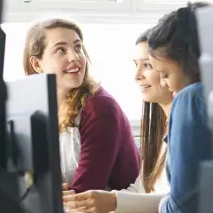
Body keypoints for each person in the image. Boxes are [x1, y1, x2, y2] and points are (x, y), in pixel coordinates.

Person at [63, 29, 174, 213]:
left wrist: (113, 202)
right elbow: (141, 191)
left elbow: (179, 201)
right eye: (136, 65)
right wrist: (101, 201)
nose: (137, 75)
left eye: (147, 65)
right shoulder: (160, 131)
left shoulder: (100, 107)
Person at [23, 19, 140, 194]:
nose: (75, 57)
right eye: (61, 50)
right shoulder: (34, 108)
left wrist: (43, 194)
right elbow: (28, 181)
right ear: (37, 64)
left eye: (78, 48)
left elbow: (86, 191)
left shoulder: (99, 107)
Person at [148, 3, 213, 213]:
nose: (164, 84)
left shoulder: (191, 98)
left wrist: (162, 205)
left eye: (165, 74)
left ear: (190, 63)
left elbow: (183, 208)